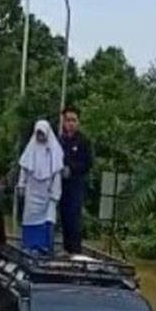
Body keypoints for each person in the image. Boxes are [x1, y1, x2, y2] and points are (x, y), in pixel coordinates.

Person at [17, 120, 64, 254]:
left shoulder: (55, 151)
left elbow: (57, 174)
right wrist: (21, 185)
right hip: (32, 193)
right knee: (30, 219)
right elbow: (24, 169)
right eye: (38, 133)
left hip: (47, 194)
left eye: (42, 133)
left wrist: (55, 194)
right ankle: (29, 247)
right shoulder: (30, 149)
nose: (40, 136)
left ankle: (45, 250)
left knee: (48, 221)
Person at [57, 105, 93, 254]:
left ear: (78, 122)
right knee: (64, 217)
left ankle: (75, 251)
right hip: (60, 185)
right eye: (68, 120)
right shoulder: (60, 141)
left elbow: (88, 163)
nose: (71, 123)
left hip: (75, 184)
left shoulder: (84, 141)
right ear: (63, 122)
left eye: (73, 120)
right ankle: (66, 249)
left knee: (74, 218)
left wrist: (71, 168)